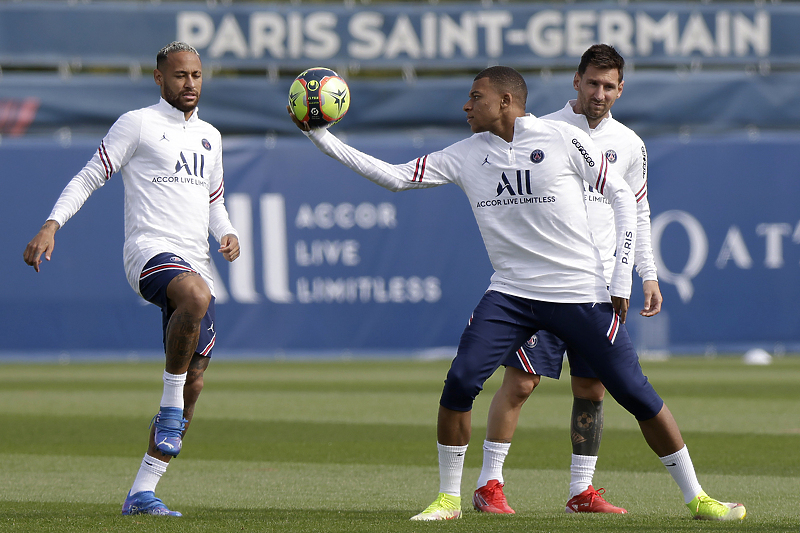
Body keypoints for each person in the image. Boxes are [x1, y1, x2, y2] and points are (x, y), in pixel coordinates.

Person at [289, 65, 745, 522]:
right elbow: (394, 176)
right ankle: (450, 498)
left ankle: (698, 498)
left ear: (506, 102)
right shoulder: (466, 154)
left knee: (635, 394)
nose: (467, 105)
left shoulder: (561, 139)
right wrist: (321, 138)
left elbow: (624, 199)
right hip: (511, 295)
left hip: (579, 293)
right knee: (461, 380)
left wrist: (623, 276)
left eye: (476, 97)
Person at [23, 41, 240, 517]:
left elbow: (214, 200)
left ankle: (142, 492)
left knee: (197, 382)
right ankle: (167, 406)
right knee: (196, 297)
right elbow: (88, 176)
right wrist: (51, 224)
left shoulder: (210, 136)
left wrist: (226, 233)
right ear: (159, 78)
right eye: (180, 75)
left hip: (197, 258)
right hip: (149, 251)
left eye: (197, 75)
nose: (190, 84)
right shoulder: (137, 123)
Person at [472, 44, 661, 516]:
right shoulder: (545, 129)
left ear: (621, 89)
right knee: (519, 383)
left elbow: (637, 209)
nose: (600, 93)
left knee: (591, 390)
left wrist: (647, 273)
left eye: (609, 86)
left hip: (598, 288)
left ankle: (582, 491)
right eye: (592, 83)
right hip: (547, 282)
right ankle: (488, 484)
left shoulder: (630, 144)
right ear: (576, 81)